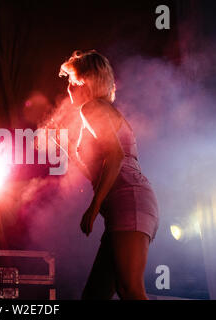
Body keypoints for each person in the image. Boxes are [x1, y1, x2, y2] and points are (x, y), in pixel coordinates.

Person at [59, 50, 159, 300]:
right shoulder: (97, 112)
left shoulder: (92, 108)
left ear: (86, 82)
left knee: (131, 289)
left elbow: (116, 158)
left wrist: (94, 207)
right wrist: (70, 151)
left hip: (129, 202)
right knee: (95, 295)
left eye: (72, 81)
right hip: (126, 204)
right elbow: (100, 169)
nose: (69, 88)